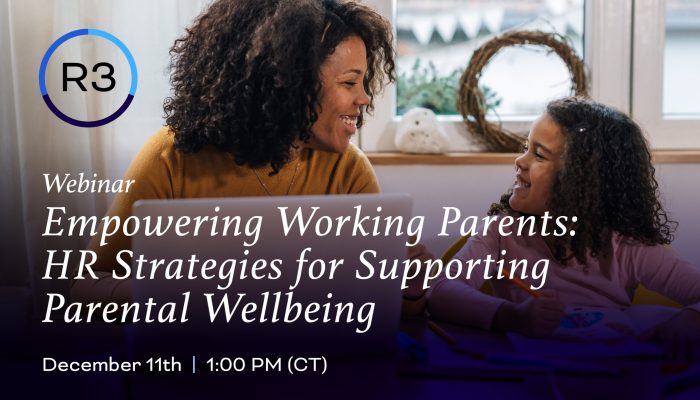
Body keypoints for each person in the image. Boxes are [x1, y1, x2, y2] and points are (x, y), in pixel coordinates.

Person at [70, 0, 427, 304]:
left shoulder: (348, 171)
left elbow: (390, 310)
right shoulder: (171, 156)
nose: (363, 98)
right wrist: (176, 296)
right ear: (286, 82)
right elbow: (85, 287)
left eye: (363, 82)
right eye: (349, 82)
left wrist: (410, 287)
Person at [428, 97, 700, 360]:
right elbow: (440, 292)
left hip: (605, 378)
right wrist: (512, 316)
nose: (520, 161)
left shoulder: (626, 245)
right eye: (526, 147)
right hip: (524, 375)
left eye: (539, 155)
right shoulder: (502, 231)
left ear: (581, 181)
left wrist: (690, 317)